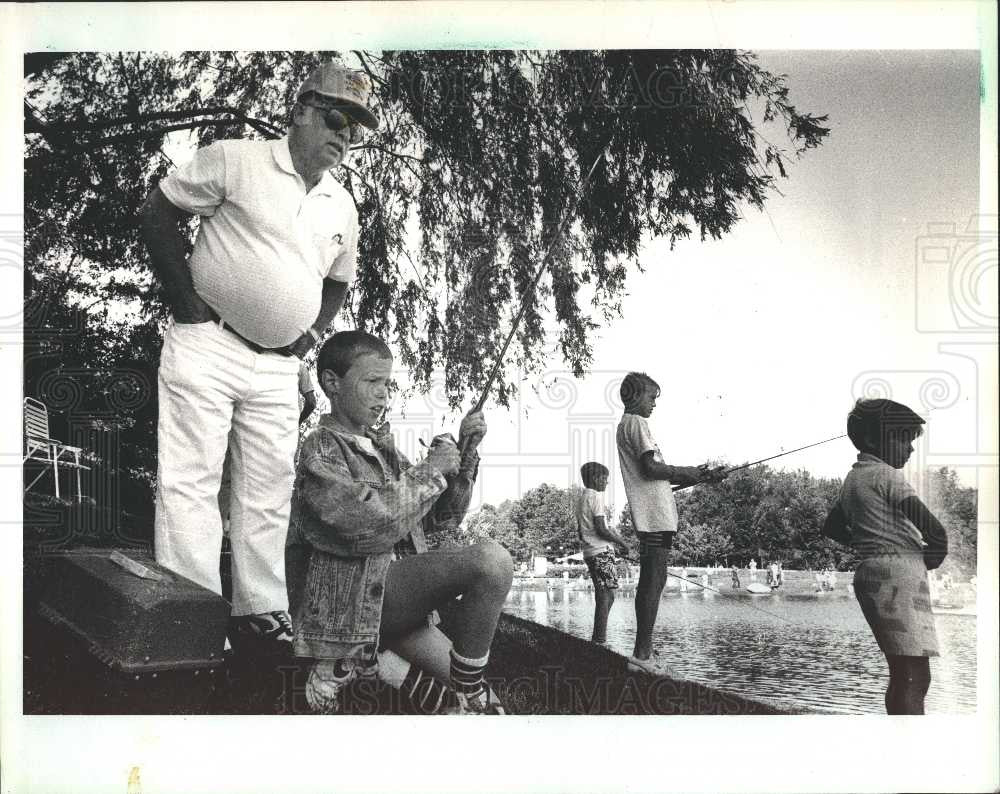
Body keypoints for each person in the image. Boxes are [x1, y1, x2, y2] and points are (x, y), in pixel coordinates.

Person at [141, 62, 379, 654]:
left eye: (355, 127)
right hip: (208, 342)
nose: (344, 134)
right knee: (190, 480)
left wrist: (309, 336)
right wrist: (185, 302)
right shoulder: (235, 157)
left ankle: (260, 609)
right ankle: (191, 613)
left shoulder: (341, 205)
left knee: (269, 488)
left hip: (278, 365)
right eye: (334, 117)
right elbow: (157, 209)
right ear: (299, 110)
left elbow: (337, 283)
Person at [285, 331, 514, 714]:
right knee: (492, 561)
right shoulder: (322, 447)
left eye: (387, 384)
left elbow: (443, 519)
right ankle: (356, 657)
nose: (382, 395)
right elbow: (363, 525)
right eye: (371, 382)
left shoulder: (385, 452)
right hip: (355, 606)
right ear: (331, 383)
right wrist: (429, 472)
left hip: (392, 607)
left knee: (491, 708)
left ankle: (374, 663)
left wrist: (465, 455)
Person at [822, 398, 949, 715]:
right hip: (901, 576)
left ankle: (900, 738)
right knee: (916, 676)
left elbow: (832, 526)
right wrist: (930, 558)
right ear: (872, 439)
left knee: (901, 672)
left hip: (871, 573)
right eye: (902, 437)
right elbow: (935, 531)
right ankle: (910, 744)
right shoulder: (887, 475)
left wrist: (870, 542)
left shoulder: (853, 479)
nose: (909, 447)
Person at [615, 371, 725, 675]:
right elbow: (651, 469)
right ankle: (641, 655)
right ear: (636, 396)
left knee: (655, 579)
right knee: (652, 580)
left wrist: (695, 475)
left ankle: (644, 650)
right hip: (654, 517)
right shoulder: (637, 423)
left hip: (654, 513)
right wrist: (692, 472)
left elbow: (650, 476)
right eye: (652, 397)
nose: (654, 404)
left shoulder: (627, 425)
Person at [575, 462, 630, 645]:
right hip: (601, 552)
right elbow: (601, 529)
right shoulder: (596, 497)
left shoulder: (581, 499)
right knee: (607, 595)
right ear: (597, 479)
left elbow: (581, 532)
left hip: (590, 552)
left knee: (604, 594)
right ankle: (599, 639)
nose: (607, 483)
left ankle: (598, 638)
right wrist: (622, 542)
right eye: (605, 479)